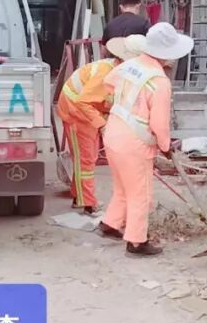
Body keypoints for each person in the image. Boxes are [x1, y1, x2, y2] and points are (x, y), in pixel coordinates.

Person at [98, 22, 193, 257]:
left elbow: (108, 82)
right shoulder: (159, 82)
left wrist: (127, 100)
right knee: (140, 193)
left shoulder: (130, 65)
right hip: (134, 142)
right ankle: (136, 241)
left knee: (123, 186)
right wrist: (166, 146)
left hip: (113, 133)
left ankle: (110, 223)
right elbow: (159, 124)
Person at [57, 35, 146, 214]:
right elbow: (84, 102)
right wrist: (102, 125)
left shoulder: (117, 71)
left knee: (86, 158)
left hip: (87, 112)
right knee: (86, 159)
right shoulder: (106, 74)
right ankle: (88, 203)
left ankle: (79, 196)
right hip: (76, 113)